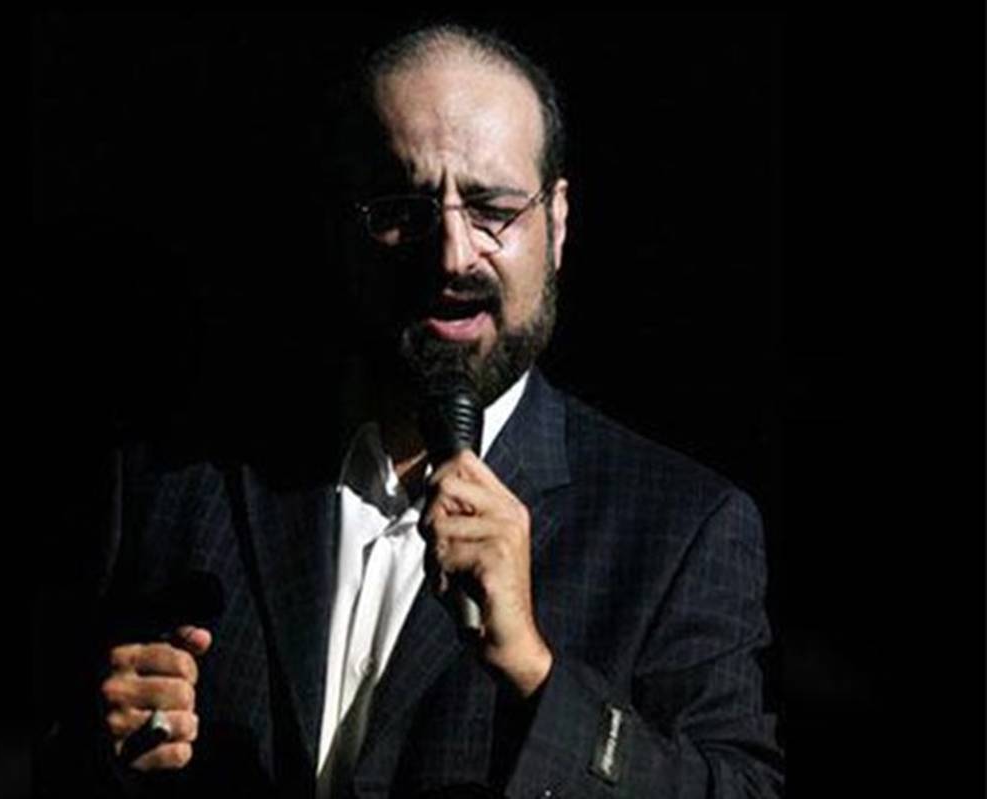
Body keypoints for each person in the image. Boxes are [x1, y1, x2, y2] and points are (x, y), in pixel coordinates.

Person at [38, 22, 783, 799]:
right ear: (344, 223)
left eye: (492, 208)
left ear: (557, 222)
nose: (452, 255)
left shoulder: (683, 527)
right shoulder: (173, 473)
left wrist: (536, 671)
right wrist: (95, 745)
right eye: (403, 208)